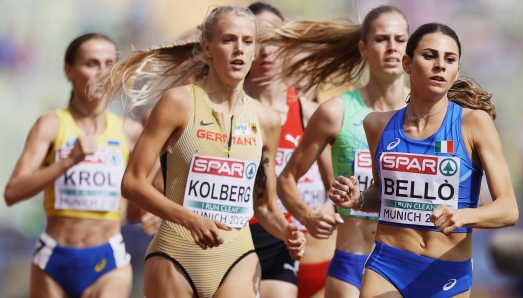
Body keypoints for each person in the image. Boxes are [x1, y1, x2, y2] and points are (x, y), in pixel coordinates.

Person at [97, 4, 306, 298]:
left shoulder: (268, 120)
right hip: (176, 256)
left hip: (237, 258)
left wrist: (287, 231)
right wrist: (189, 218)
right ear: (207, 47)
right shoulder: (178, 102)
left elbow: (264, 206)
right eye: (228, 40)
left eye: (248, 41)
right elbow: (132, 183)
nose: (239, 50)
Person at [329, 22, 518, 297]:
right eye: (430, 56)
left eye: (449, 59)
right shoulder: (377, 125)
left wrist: (462, 216)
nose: (440, 65)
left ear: (457, 71)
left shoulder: (474, 124)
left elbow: (508, 210)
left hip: (446, 275)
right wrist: (358, 199)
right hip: (387, 267)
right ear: (407, 63)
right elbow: (382, 194)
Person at [262, 5, 410, 297]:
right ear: (363, 48)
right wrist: (307, 216)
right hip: (351, 262)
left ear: (410, 48)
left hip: (408, 262)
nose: (392, 47)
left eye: (400, 39)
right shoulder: (335, 111)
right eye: (381, 39)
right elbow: (287, 178)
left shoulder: (430, 114)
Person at [4, 33, 143, 298]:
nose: (102, 72)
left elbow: (147, 188)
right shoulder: (51, 125)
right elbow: (12, 192)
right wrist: (68, 162)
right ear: (69, 70)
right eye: (91, 63)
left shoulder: (130, 131)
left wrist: (148, 211)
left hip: (108, 260)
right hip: (54, 259)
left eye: (109, 63)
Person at [244, 3, 337, 298]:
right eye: (254, 40)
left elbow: (335, 187)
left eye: (273, 39)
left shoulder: (311, 113)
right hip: (232, 237)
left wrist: (328, 207)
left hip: (290, 240)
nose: (265, 50)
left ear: (286, 44)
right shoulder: (222, 111)